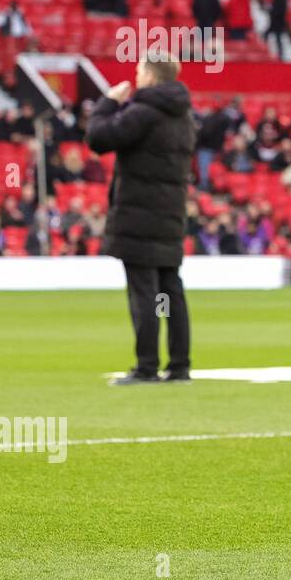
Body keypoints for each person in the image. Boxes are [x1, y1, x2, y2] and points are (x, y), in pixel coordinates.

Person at [85, 56, 196, 385]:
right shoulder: (184, 115)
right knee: (170, 290)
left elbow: (99, 139)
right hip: (171, 214)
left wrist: (108, 102)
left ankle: (146, 366)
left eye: (139, 72)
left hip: (139, 215)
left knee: (144, 293)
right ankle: (179, 366)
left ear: (149, 75)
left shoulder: (144, 112)